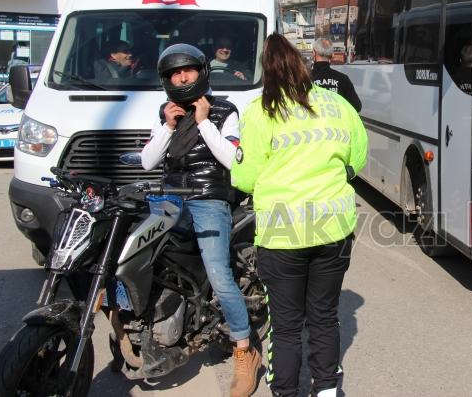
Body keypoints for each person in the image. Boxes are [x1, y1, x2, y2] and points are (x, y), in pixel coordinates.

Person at [231, 33, 367, 397]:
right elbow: (357, 159)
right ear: (303, 65)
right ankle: (326, 390)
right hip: (334, 228)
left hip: (282, 232)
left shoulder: (261, 111)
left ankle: (286, 391)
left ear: (268, 71)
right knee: (324, 317)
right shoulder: (339, 105)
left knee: (287, 326)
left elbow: (245, 178)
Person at [141, 43, 261, 397]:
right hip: (170, 199)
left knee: (219, 275)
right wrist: (168, 125)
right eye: (174, 73)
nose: (181, 78)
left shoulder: (225, 111)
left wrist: (204, 122)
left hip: (208, 199)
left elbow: (233, 160)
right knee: (137, 260)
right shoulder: (167, 112)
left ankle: (244, 350)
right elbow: (148, 161)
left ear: (201, 72)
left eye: (187, 70)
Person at [310, 38, 361, 112]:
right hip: (338, 118)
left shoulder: (304, 78)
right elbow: (357, 106)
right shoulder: (343, 79)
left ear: (314, 53)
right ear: (332, 55)